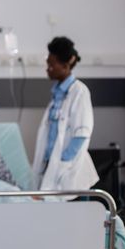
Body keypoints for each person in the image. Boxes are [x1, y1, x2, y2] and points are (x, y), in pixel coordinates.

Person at [32, 36, 98, 192]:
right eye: (47, 64)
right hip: (51, 164)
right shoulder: (58, 94)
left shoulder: (79, 92)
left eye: (51, 64)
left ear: (65, 64)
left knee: (71, 212)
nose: (48, 68)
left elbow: (81, 134)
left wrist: (63, 163)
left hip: (67, 168)